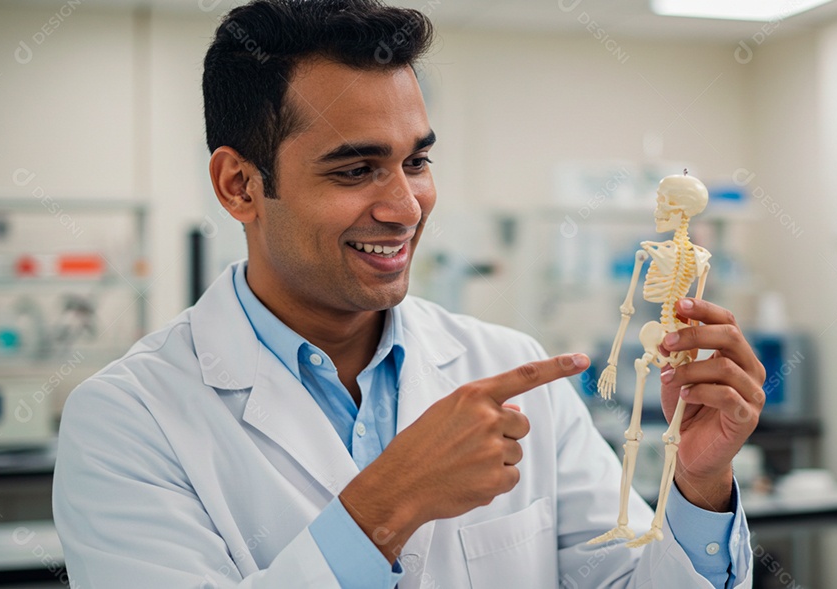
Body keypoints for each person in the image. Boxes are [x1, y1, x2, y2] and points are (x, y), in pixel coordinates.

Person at [52, 1, 767, 587]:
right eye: (356, 168)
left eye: (416, 161)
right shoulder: (127, 419)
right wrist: (387, 505)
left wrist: (699, 486)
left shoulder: (512, 369)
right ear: (240, 185)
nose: (405, 206)